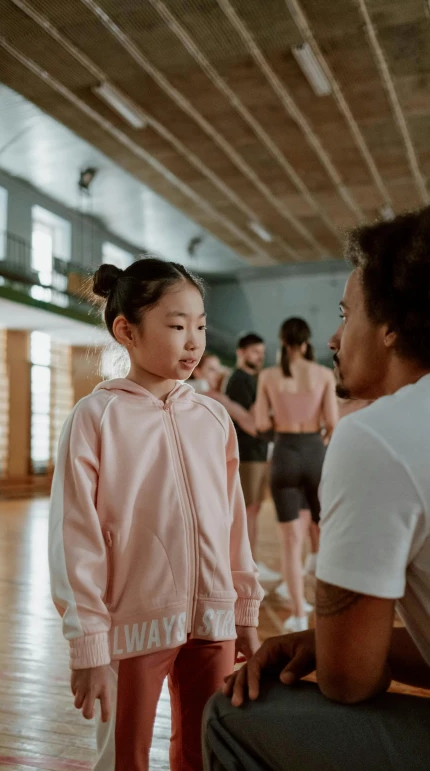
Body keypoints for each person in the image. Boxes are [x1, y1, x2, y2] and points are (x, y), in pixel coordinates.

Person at [203, 207, 430, 771]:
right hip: (307, 452)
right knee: (304, 534)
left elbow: (350, 682)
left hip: (286, 455)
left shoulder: (378, 435)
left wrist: (337, 647)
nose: (335, 336)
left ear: (392, 325)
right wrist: (320, 636)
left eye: (345, 312)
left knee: (231, 715)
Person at [48, 258, 263, 771]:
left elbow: (233, 524)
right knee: (126, 759)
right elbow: (74, 538)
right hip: (132, 624)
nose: (194, 341)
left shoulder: (213, 418)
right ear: (126, 330)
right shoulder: (95, 418)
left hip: (213, 621)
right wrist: (90, 648)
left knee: (203, 753)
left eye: (201, 326)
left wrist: (244, 610)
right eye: (176, 326)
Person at [255, 318, 339, 633]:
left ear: (282, 342)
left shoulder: (268, 376)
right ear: (306, 343)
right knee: (326, 533)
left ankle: (298, 615)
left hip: (285, 454)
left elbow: (262, 424)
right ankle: (331, 611)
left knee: (290, 543)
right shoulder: (322, 374)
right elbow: (332, 422)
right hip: (315, 453)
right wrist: (316, 446)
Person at [226, 334, 280, 582]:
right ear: (242, 352)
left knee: (253, 510)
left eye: (262, 352)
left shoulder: (252, 379)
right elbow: (249, 420)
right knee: (246, 511)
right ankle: (243, 565)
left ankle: (251, 561)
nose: (260, 356)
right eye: (255, 352)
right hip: (246, 454)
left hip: (258, 453)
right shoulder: (239, 381)